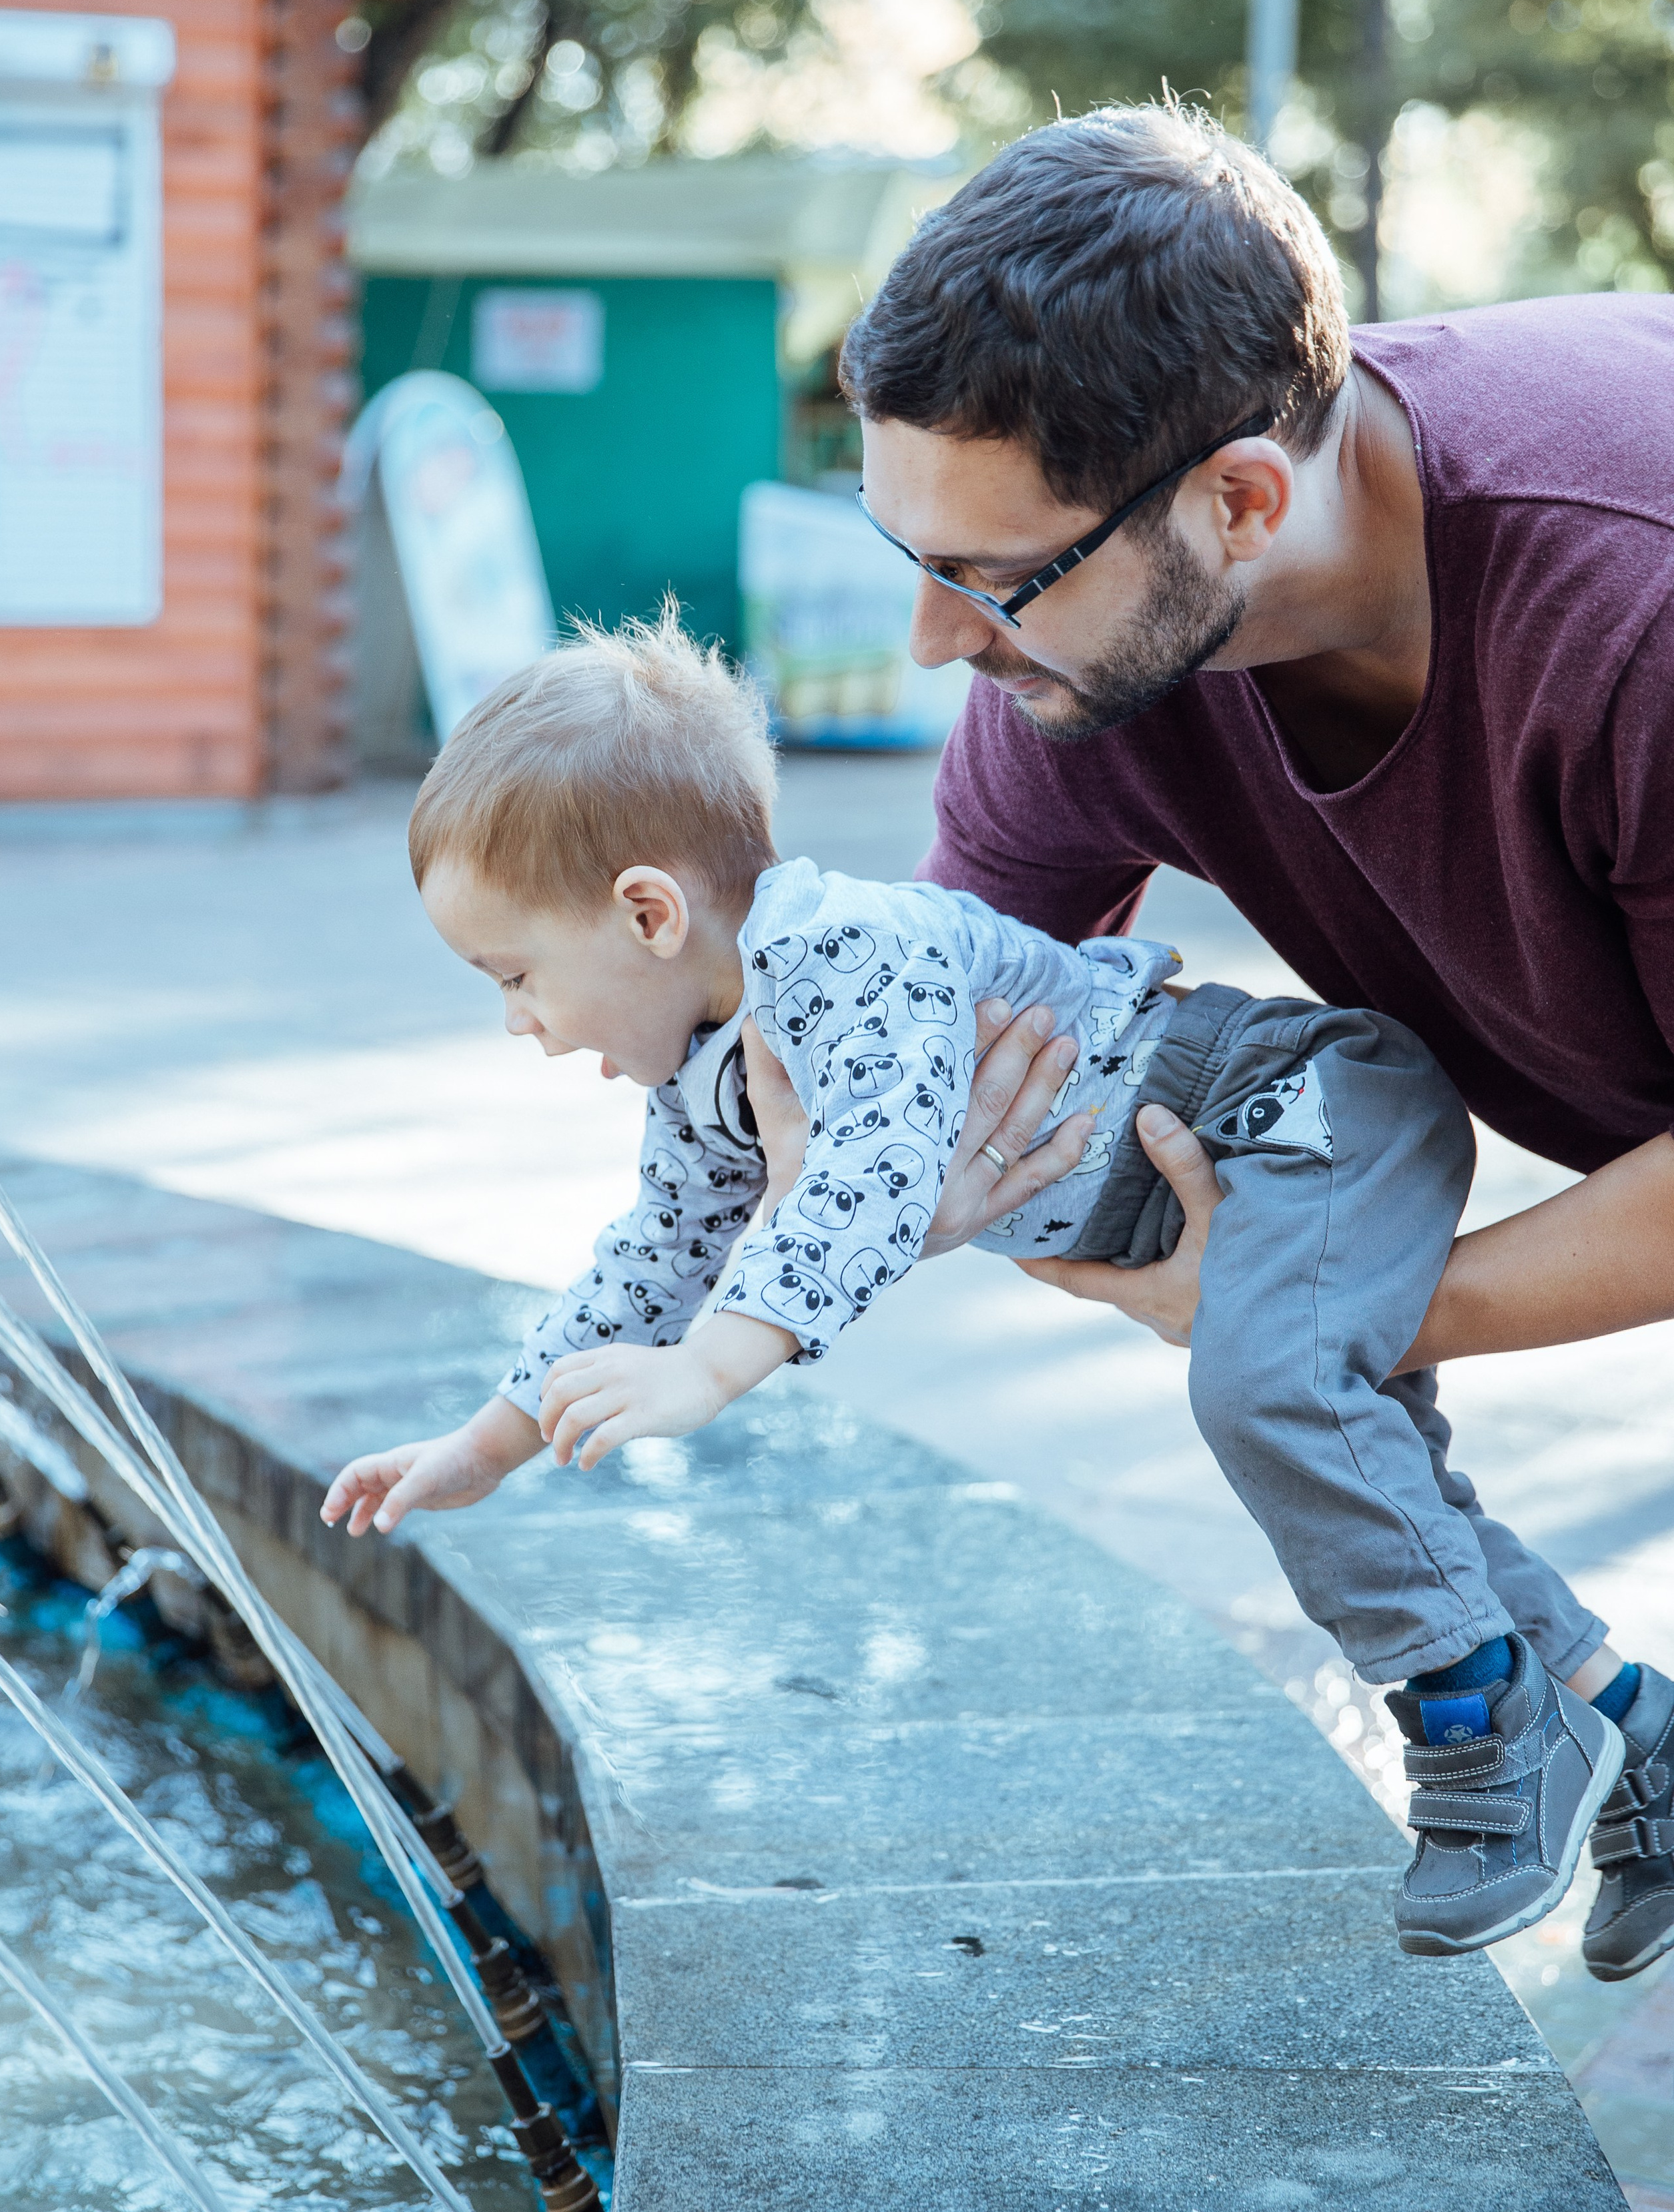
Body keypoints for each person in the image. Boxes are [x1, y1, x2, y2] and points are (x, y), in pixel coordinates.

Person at [321, 614, 1628, 1963]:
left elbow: (870, 1182)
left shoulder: (837, 950)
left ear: (647, 913)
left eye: (516, 976)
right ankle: (1627, 1728)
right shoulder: (704, 1066)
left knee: (1263, 1390)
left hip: (1297, 1101)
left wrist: (712, 1366)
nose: (519, 1026)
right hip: (1260, 1158)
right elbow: (652, 1255)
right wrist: (489, 1441)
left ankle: (1476, 1724)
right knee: (1369, 1472)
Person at [805, 93, 1674, 1987]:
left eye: (991, 575)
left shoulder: (1635, 601)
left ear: (1243, 501)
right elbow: (973, 1052)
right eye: (908, 554)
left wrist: (1323, 1308)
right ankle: (1614, 1717)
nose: (938, 647)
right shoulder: (1087, 655)